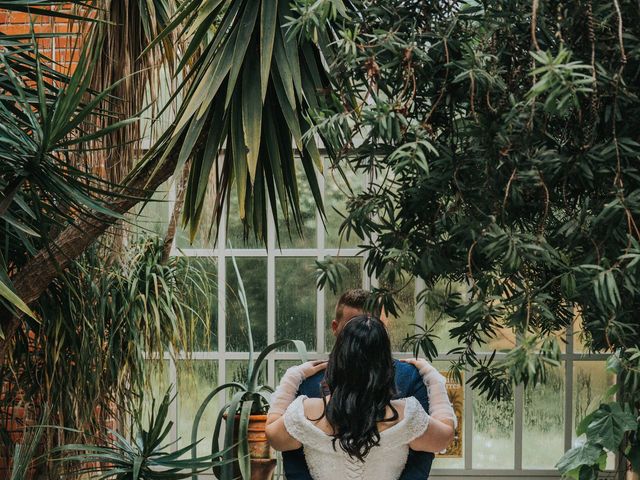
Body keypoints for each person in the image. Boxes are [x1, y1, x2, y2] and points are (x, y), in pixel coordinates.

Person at [266, 313, 456, 480]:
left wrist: (293, 377)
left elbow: (272, 434)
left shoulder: (305, 413)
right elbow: (446, 434)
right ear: (386, 366)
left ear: (338, 359)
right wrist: (433, 378)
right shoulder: (408, 415)